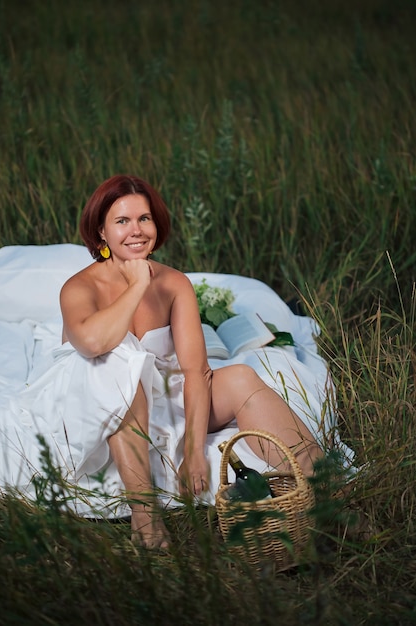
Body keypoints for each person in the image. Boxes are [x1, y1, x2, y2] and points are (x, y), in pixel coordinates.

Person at [57, 174, 323, 549]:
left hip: (161, 397)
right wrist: (136, 285)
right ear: (101, 232)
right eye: (122, 221)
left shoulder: (174, 283)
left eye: (144, 219)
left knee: (242, 378)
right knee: (121, 369)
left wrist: (194, 452)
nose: (136, 230)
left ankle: (321, 488)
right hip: (101, 404)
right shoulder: (79, 287)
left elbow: (197, 371)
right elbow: (93, 344)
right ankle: (146, 521)